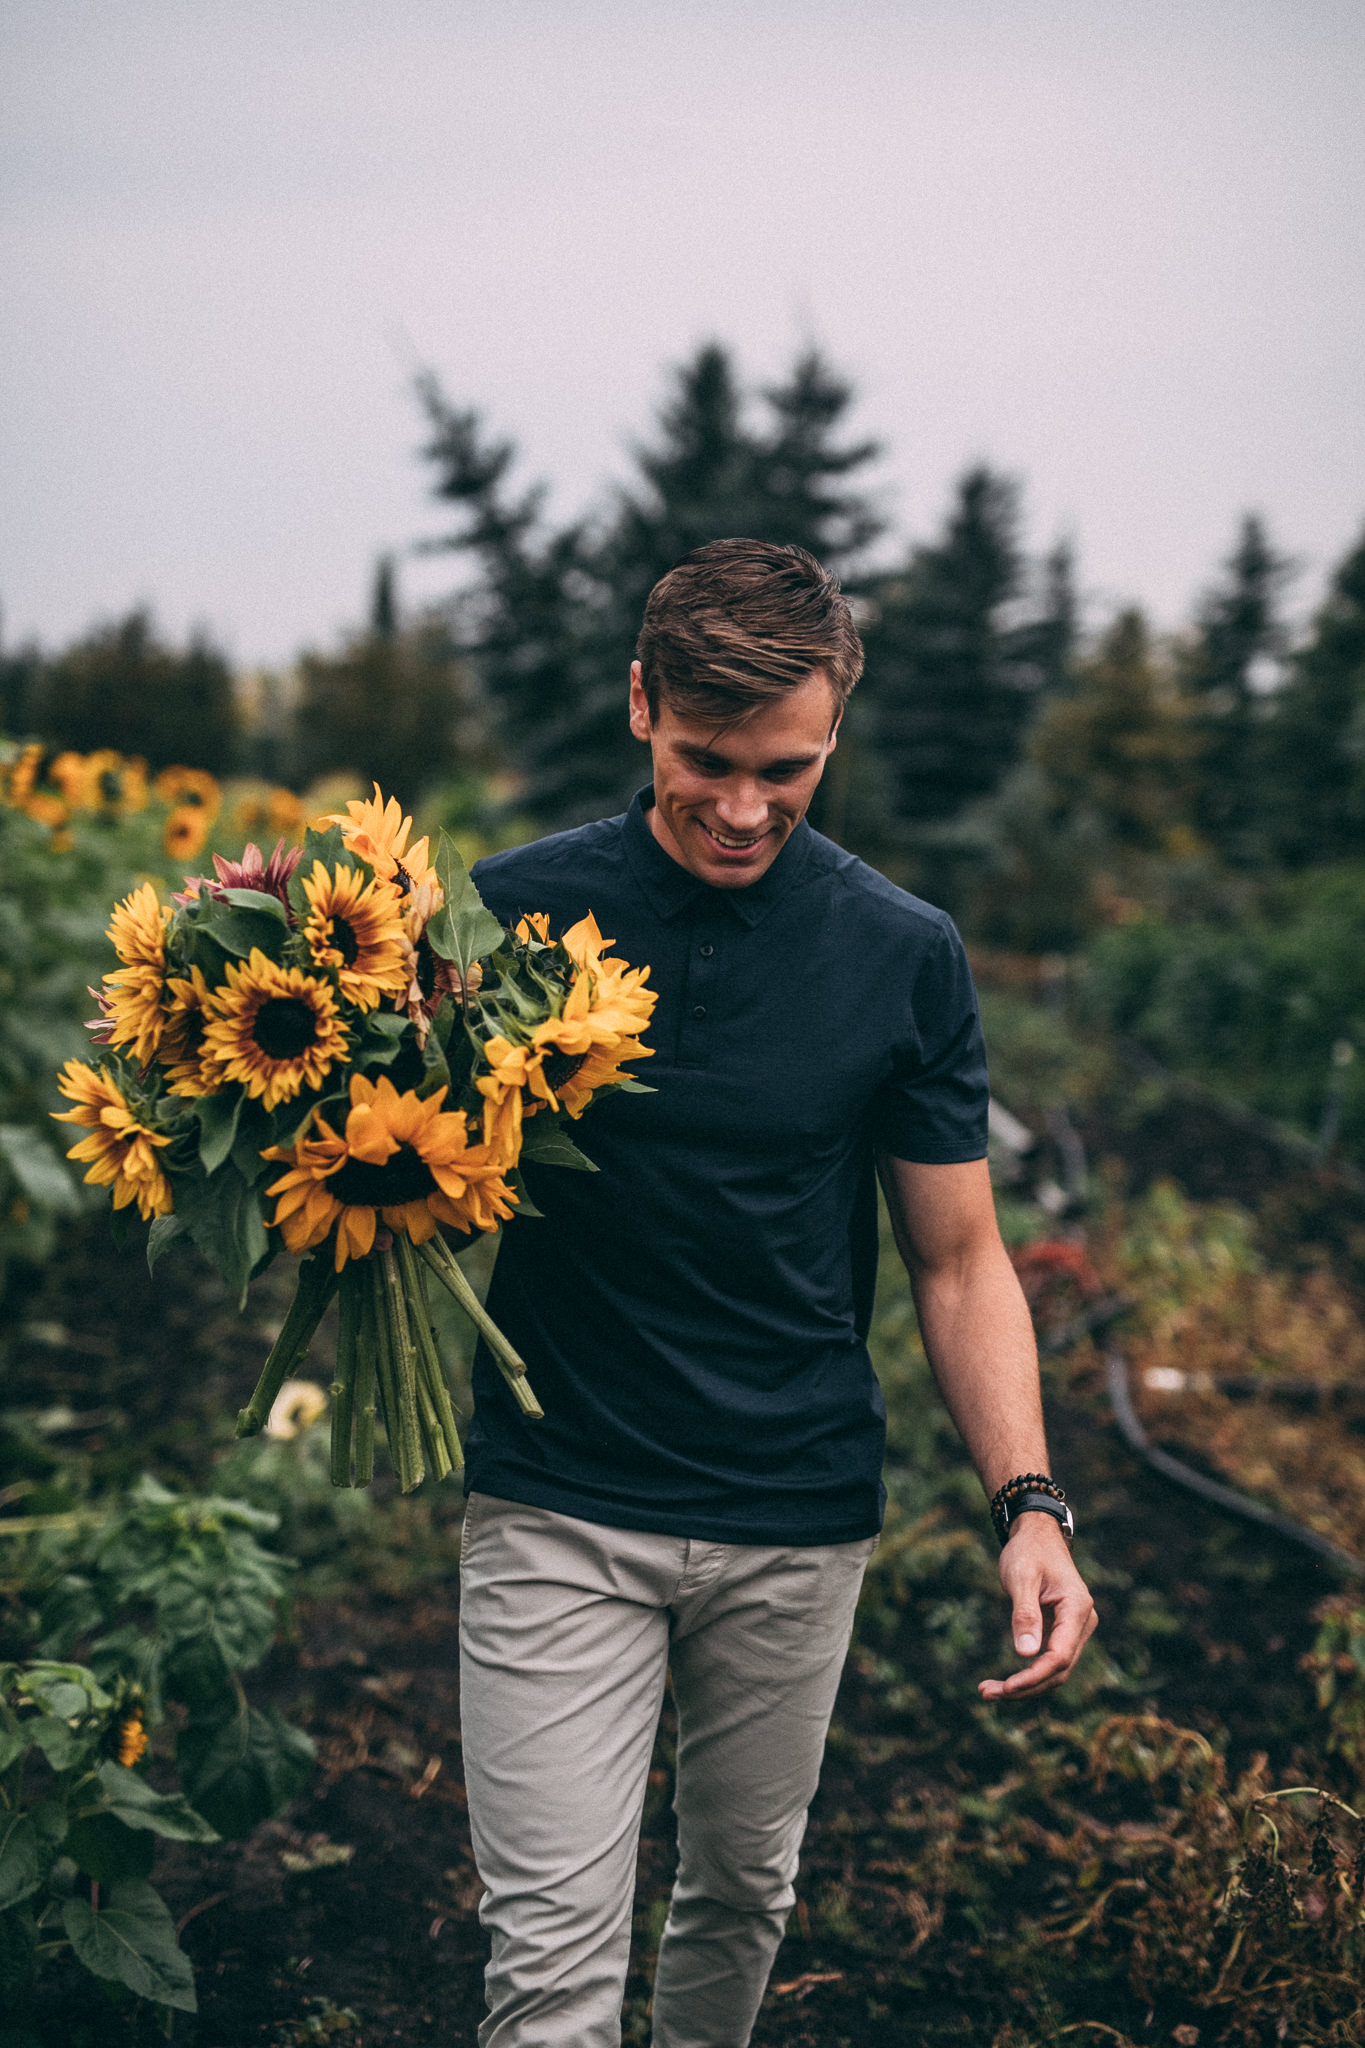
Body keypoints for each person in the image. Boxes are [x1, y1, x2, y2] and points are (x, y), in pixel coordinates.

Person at [460, 538, 1097, 2048]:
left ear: (833, 734)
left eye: (786, 768)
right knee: (550, 1966)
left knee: (741, 1899)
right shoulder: (507, 921)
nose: (743, 808)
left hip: (795, 1509)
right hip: (560, 1499)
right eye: (706, 762)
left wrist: (1030, 1500)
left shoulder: (899, 954)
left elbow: (957, 1261)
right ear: (639, 708)